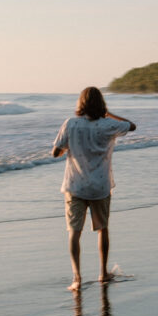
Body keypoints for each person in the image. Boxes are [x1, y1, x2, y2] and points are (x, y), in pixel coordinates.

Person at [52, 87, 135, 291]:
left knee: (74, 232)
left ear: (81, 103)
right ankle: (102, 272)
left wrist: (71, 148)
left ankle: (77, 278)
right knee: (102, 229)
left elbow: (56, 152)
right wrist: (109, 114)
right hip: (100, 186)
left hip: (75, 185)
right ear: (101, 104)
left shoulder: (71, 123)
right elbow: (131, 126)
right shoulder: (107, 124)